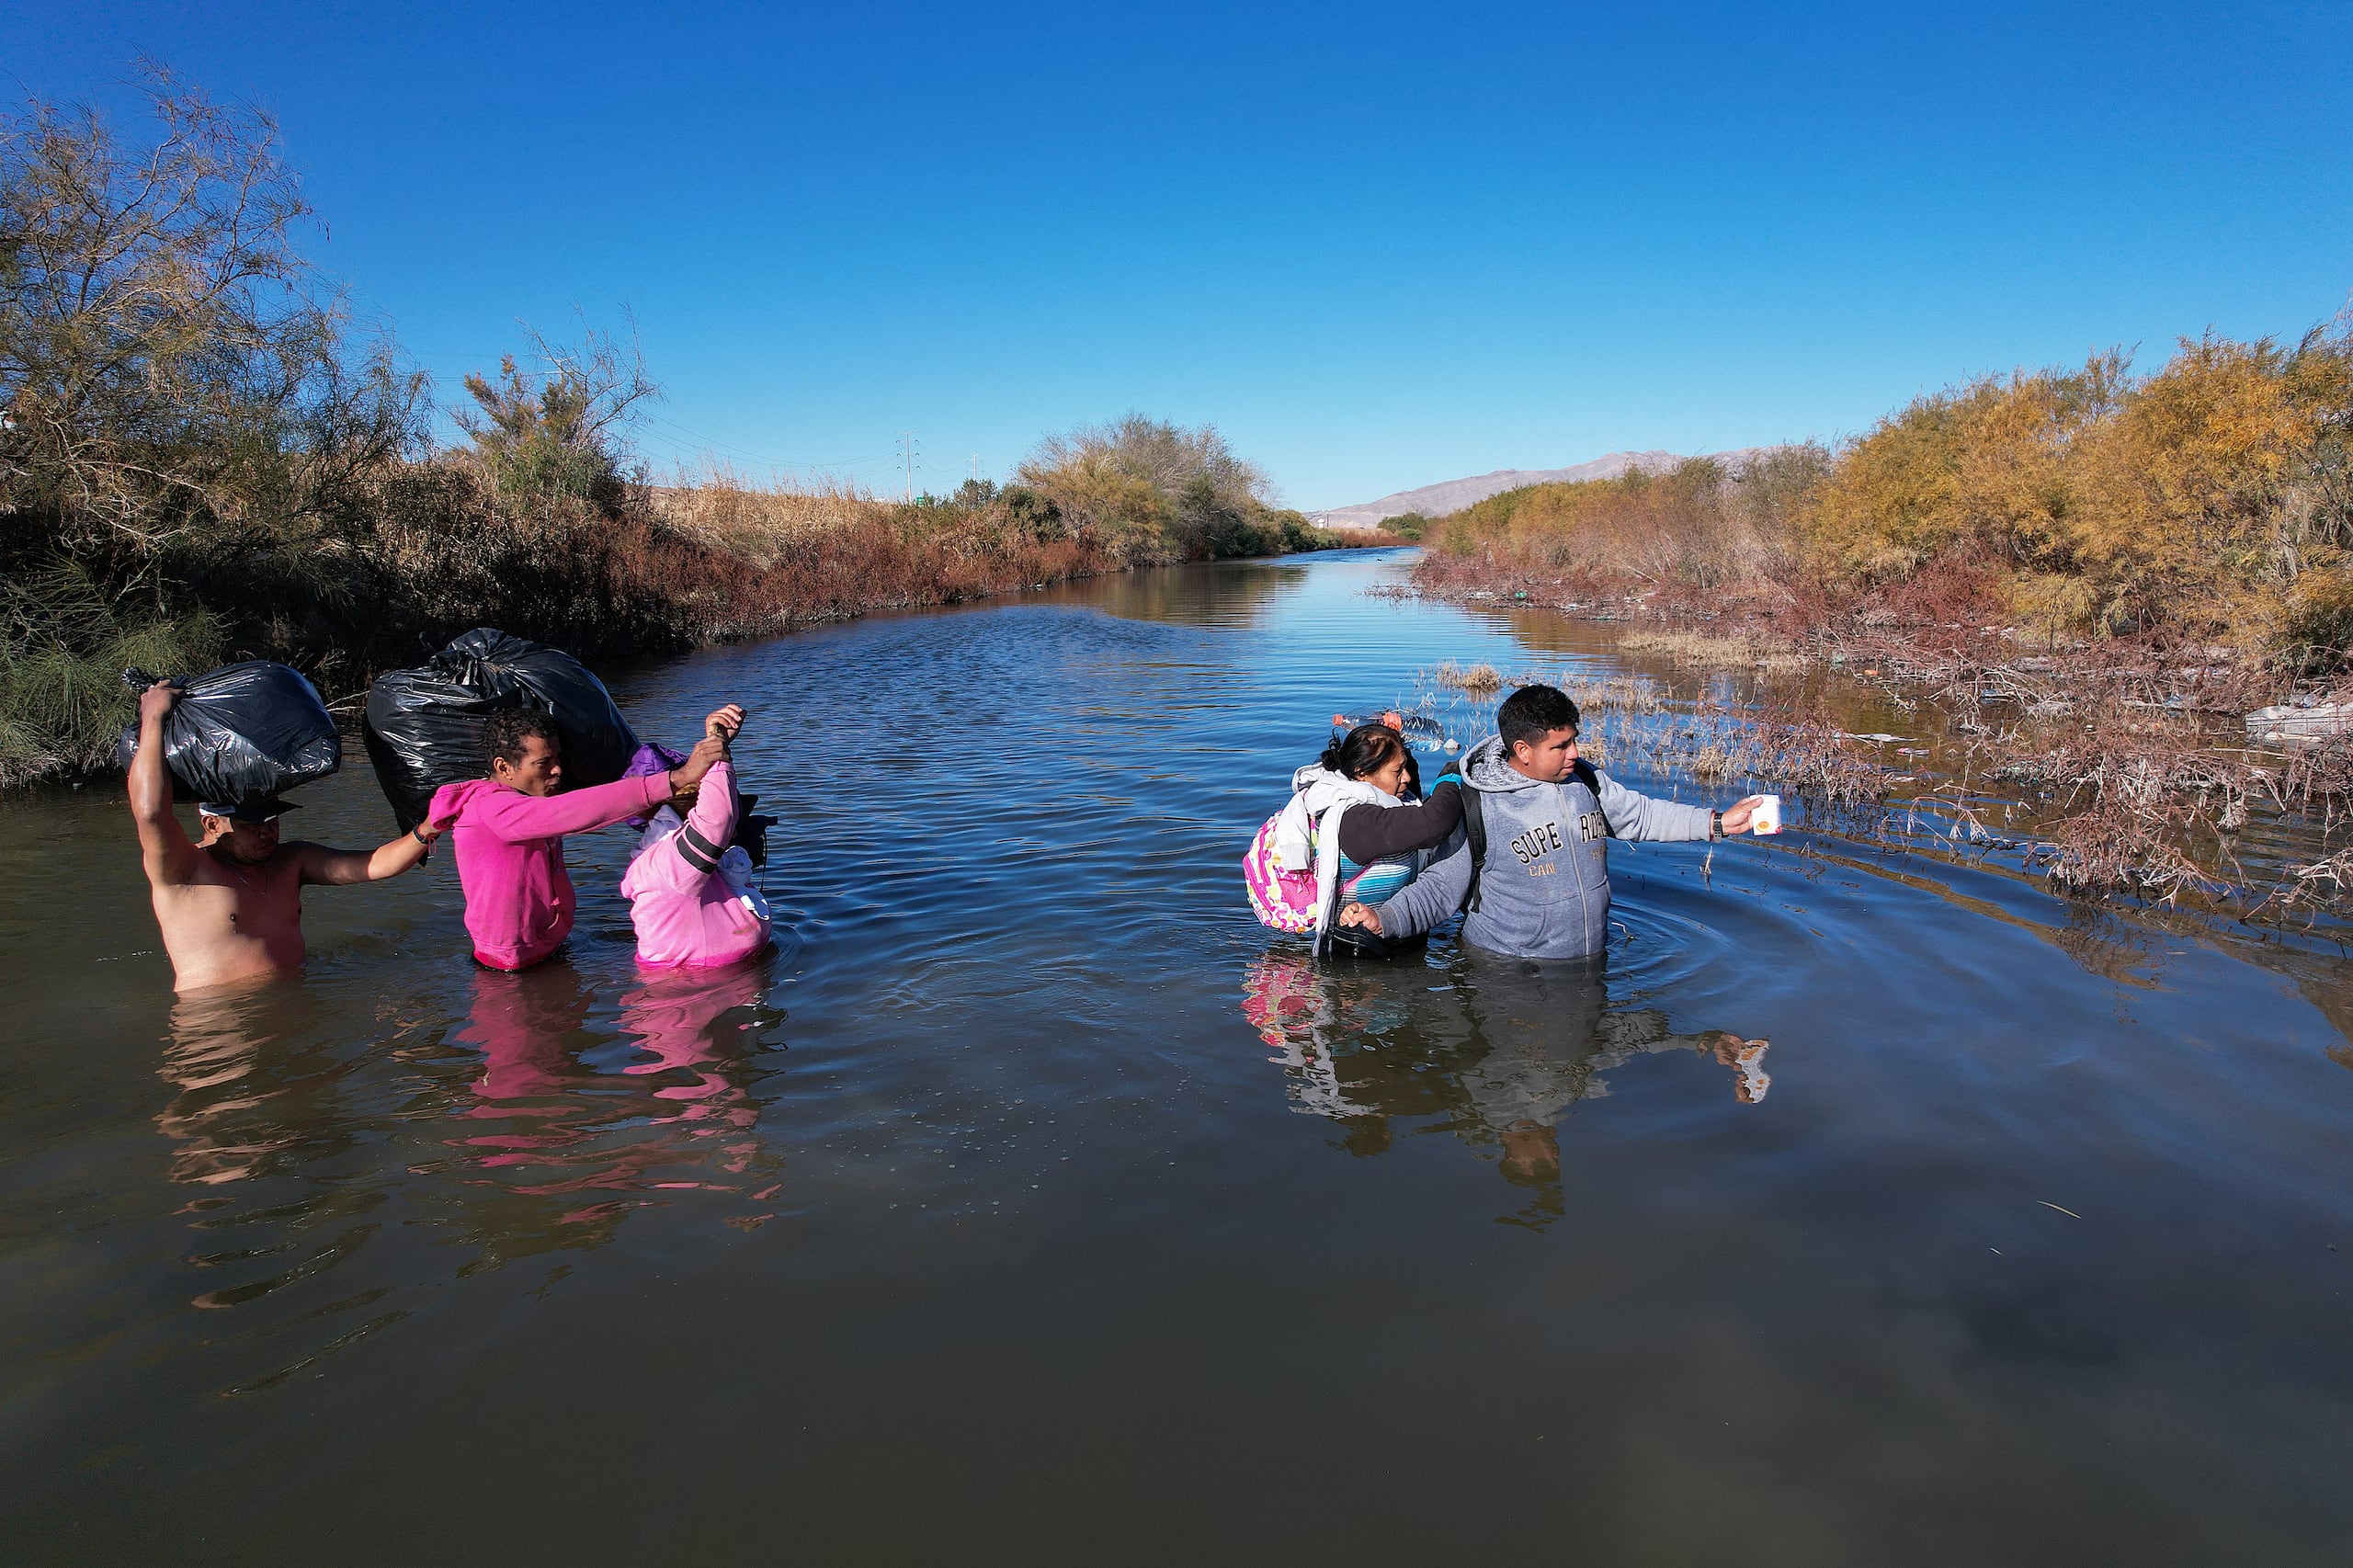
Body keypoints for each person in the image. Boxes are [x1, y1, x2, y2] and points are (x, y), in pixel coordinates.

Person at [1340, 683, 1764, 959]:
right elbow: (1440, 888)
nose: (1575, 752)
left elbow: (1641, 816)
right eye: (1561, 745)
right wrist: (1386, 920)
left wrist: (1718, 823)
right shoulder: (1476, 802)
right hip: (1506, 972)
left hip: (1589, 958)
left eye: (1574, 739)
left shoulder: (1585, 780)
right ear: (1523, 749)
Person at [129, 682, 442, 994]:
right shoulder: (184, 869)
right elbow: (151, 814)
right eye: (252, 825)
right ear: (212, 825)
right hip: (220, 1024)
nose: (268, 831)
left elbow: (375, 866)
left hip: (297, 1004)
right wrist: (154, 717)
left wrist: (427, 829)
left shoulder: (291, 862)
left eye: (272, 820)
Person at [426, 707, 725, 971]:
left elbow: (595, 808)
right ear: (504, 767)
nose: (557, 770)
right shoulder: (493, 808)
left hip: (548, 951)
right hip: (507, 969)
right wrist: (677, 779)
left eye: (558, 758)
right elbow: (578, 811)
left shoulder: (531, 801)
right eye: (543, 763)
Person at [1246, 719, 1464, 945]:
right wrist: (1450, 780)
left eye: (1405, 767)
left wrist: (1398, 741)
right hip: (1361, 954)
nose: (1406, 777)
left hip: (1382, 940)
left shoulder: (1383, 800)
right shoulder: (1357, 820)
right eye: (1398, 771)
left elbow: (1414, 803)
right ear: (1361, 774)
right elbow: (1433, 822)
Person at [619, 703, 771, 968]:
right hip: (687, 994)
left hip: (717, 984)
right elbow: (717, 819)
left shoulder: (685, 858)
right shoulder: (667, 864)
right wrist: (717, 748)